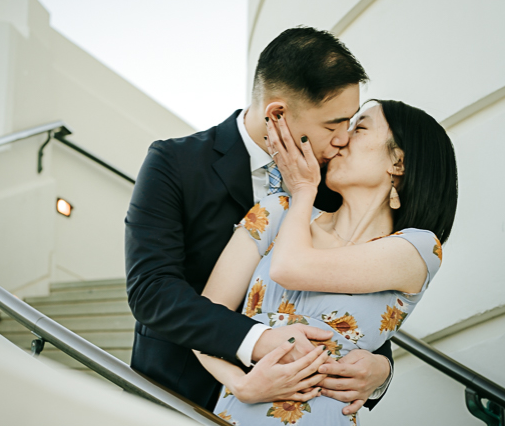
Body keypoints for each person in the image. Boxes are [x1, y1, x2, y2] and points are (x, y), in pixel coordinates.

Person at [125, 27, 394, 416]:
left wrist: (380, 368)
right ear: (278, 114)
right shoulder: (174, 163)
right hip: (176, 398)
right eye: (333, 125)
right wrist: (261, 340)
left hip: (292, 410)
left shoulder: (332, 184)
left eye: (350, 124)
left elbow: (352, 287)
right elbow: (151, 290)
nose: (342, 140)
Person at [196, 101, 458, 425]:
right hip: (235, 416)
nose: (342, 139)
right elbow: (203, 320)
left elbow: (289, 268)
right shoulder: (276, 212)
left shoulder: (416, 249)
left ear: (398, 161)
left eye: (359, 128)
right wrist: (241, 384)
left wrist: (305, 189)